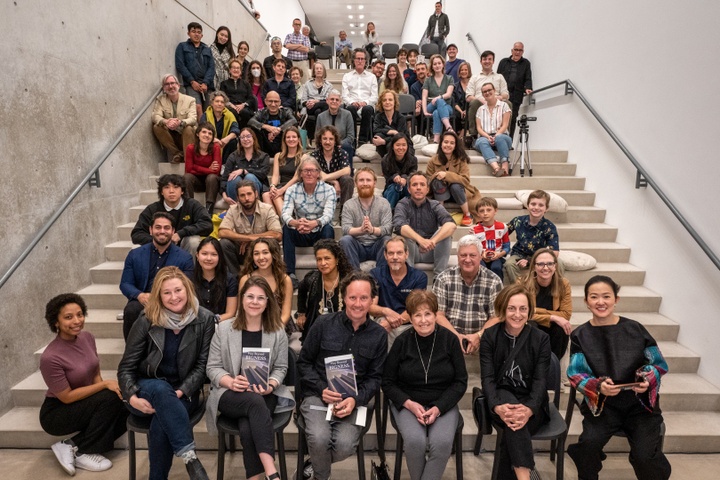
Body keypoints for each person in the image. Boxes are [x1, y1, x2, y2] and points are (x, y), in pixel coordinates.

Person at [567, 276, 672, 480]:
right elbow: (576, 372)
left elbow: (658, 363)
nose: (601, 302)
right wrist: (597, 386)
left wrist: (646, 379)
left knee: (645, 457)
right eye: (594, 297)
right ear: (586, 301)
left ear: (616, 299)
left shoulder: (635, 329)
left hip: (639, 408)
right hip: (603, 408)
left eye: (606, 296)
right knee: (588, 446)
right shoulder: (580, 335)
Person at [118, 266, 214, 480]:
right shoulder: (146, 320)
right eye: (167, 292)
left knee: (162, 419)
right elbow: (126, 367)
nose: (174, 297)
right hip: (146, 390)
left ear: (187, 290)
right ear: (159, 296)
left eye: (178, 290)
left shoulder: (205, 319)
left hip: (184, 392)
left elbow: (202, 366)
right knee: (161, 389)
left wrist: (180, 392)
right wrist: (131, 397)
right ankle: (191, 458)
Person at [296, 271, 388, 480]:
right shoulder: (322, 324)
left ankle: (314, 465)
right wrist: (321, 389)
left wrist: (355, 400)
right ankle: (321, 477)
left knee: (345, 445)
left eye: (364, 298)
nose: (357, 303)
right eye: (352, 297)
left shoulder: (379, 335)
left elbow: (376, 378)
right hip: (318, 395)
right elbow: (304, 362)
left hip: (355, 400)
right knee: (319, 439)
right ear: (344, 298)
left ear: (372, 300)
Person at [205, 276, 295, 480]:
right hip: (229, 393)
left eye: (260, 298)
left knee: (247, 427)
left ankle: (255, 478)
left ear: (267, 302)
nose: (255, 302)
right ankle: (272, 472)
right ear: (242, 299)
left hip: (265, 393)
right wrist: (231, 381)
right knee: (254, 403)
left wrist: (271, 385)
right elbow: (212, 368)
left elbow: (281, 368)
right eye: (250, 296)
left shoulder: (277, 331)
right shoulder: (224, 329)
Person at [382, 290, 467, 480]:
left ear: (436, 315)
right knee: (415, 441)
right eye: (417, 315)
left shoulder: (450, 340)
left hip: (443, 402)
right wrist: (409, 404)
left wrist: (438, 408)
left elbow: (460, 382)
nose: (423, 320)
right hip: (408, 402)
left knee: (443, 443)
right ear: (410, 319)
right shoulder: (401, 342)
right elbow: (387, 382)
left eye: (427, 313)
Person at [40, 293, 127, 476]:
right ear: (55, 322)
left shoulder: (87, 337)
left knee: (126, 405)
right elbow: (66, 396)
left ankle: (71, 445)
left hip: (84, 401)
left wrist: (108, 399)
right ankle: (85, 451)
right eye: (68, 317)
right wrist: (104, 388)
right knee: (111, 396)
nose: (77, 321)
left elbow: (95, 372)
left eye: (80, 314)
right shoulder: (50, 357)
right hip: (58, 411)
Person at [479, 283, 551, 480]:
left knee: (513, 425)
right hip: (499, 400)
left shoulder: (541, 339)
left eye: (522, 309)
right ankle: (525, 477)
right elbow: (488, 378)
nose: (517, 314)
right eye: (511, 308)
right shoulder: (490, 336)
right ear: (503, 309)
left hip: (532, 403)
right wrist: (496, 406)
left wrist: (529, 409)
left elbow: (540, 381)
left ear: (529, 311)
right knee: (508, 404)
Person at [121, 212, 195, 339]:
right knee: (132, 309)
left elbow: (187, 286)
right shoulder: (135, 255)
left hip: (170, 300)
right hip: (144, 300)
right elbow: (125, 284)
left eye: (166, 228)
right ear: (150, 230)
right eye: (158, 227)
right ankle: (132, 352)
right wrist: (140, 295)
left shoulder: (185, 258)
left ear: (173, 231)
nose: (162, 231)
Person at [433, 235, 503, 354]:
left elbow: (496, 317)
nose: (467, 259)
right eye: (463, 255)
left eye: (472, 255)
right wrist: (456, 336)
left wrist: (478, 336)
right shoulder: (443, 279)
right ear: (457, 256)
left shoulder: (494, 281)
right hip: (449, 336)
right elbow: (438, 314)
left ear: (481, 256)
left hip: (483, 338)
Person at [281, 157, 336, 286]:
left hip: (319, 231)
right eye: (305, 171)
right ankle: (290, 274)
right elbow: (285, 214)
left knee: (328, 228)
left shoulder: (329, 190)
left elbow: (328, 215)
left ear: (318, 173)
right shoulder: (292, 190)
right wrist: (296, 223)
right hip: (301, 230)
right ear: (300, 173)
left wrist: (315, 223)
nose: (309, 173)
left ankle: (324, 271)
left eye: (312, 170)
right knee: (286, 228)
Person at [130, 174, 212, 256]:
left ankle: (189, 268)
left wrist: (181, 233)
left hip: (184, 247)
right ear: (161, 192)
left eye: (176, 187)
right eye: (167, 187)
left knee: (194, 241)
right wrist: (159, 241)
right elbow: (136, 234)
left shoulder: (192, 205)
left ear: (182, 191)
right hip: (159, 249)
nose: (171, 191)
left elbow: (207, 224)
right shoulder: (152, 209)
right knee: (136, 248)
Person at [393, 172, 457, 277]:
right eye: (414, 185)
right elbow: (399, 226)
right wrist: (420, 240)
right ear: (409, 189)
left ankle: (439, 278)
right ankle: (408, 277)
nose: (418, 188)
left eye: (422, 185)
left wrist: (431, 242)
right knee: (404, 235)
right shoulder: (402, 204)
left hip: (431, 250)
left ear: (427, 189)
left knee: (446, 233)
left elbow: (451, 225)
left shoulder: (434, 205)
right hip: (410, 252)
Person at [369, 236, 428, 344]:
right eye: (391, 253)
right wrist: (385, 311)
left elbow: (416, 309)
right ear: (385, 255)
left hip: (409, 323)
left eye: (399, 253)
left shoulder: (419, 277)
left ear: (407, 254)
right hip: (384, 321)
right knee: (380, 327)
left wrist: (393, 322)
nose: (395, 257)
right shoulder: (375, 274)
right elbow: (371, 306)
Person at [218, 179, 282, 275]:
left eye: (249, 194)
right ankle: (236, 278)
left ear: (256, 194)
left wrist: (253, 241)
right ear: (237, 198)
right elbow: (222, 232)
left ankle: (271, 276)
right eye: (242, 195)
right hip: (242, 252)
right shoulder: (233, 210)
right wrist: (248, 237)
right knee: (224, 243)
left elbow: (277, 234)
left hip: (262, 251)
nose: (246, 198)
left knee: (273, 243)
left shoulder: (267, 209)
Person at [295, 239, 354, 344]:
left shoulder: (349, 280)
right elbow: (301, 288)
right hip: (318, 331)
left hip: (344, 331)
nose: (323, 263)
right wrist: (301, 313)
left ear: (337, 260)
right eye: (319, 259)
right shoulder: (312, 279)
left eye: (327, 258)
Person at [521, 248, 572, 360]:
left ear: (555, 266)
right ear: (534, 266)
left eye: (549, 264)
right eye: (541, 264)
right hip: (532, 327)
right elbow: (522, 313)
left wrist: (536, 310)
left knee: (562, 328)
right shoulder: (523, 284)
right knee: (530, 325)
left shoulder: (563, 284)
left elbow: (566, 314)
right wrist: (552, 316)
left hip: (552, 329)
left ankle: (552, 364)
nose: (545, 268)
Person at [339, 167, 393, 269]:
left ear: (374, 183)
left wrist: (372, 230)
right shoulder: (348, 204)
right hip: (357, 246)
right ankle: (354, 277)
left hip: (377, 246)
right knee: (345, 240)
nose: (365, 183)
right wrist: (361, 230)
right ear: (355, 183)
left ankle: (380, 279)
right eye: (361, 180)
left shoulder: (384, 203)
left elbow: (388, 229)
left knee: (387, 240)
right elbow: (346, 229)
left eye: (368, 180)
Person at [504, 189, 562, 284]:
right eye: (533, 204)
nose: (536, 207)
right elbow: (501, 232)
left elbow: (554, 253)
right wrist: (481, 229)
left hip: (540, 256)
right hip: (518, 254)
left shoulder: (550, 227)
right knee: (509, 264)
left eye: (541, 205)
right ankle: (520, 290)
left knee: (560, 264)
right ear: (528, 205)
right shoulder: (517, 221)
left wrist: (530, 260)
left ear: (546, 208)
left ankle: (552, 289)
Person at [425, 130, 481, 226]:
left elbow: (465, 180)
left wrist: (447, 175)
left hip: (459, 193)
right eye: (446, 142)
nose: (448, 145)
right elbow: (428, 180)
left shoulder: (461, 160)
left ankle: (467, 214)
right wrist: (437, 176)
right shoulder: (433, 161)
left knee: (455, 185)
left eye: (452, 143)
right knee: (437, 182)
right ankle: (440, 214)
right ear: (441, 143)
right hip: (439, 193)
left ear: (455, 146)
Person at [238, 238, 294, 331]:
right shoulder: (245, 279)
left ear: (273, 254)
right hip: (251, 326)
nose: (261, 257)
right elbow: (242, 310)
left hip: (278, 326)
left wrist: (274, 332)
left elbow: (286, 314)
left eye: (265, 252)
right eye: (256, 253)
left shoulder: (284, 280)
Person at [151, 74, 197, 164]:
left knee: (189, 128)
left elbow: (193, 119)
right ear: (163, 88)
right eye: (167, 84)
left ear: (178, 85)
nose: (170, 86)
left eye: (172, 83)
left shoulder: (190, 100)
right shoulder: (160, 99)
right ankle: (177, 154)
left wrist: (180, 122)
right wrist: (166, 121)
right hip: (171, 136)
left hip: (187, 135)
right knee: (157, 127)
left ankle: (188, 159)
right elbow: (155, 115)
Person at [192, 237, 238, 322]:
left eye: (214, 254)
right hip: (194, 325)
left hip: (220, 324)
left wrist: (212, 321)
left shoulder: (230, 280)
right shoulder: (188, 278)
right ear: (197, 255)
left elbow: (230, 313)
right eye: (204, 254)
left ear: (220, 257)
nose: (209, 258)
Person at [263, 126, 306, 217]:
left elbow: (296, 177)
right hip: (282, 185)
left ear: (298, 139)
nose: (291, 139)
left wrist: (281, 190)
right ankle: (276, 223)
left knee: (276, 196)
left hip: (296, 187)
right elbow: (275, 176)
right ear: (284, 140)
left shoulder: (304, 157)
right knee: (266, 195)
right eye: (288, 137)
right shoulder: (278, 156)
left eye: (294, 137)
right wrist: (273, 186)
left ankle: (287, 221)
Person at [221, 127, 270, 204]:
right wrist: (224, 196)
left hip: (257, 187)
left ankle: (253, 206)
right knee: (234, 178)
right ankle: (238, 208)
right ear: (240, 141)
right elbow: (224, 178)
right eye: (242, 137)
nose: (245, 139)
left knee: (249, 177)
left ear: (254, 139)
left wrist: (244, 171)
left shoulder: (263, 156)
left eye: (248, 136)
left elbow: (263, 174)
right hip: (235, 192)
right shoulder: (233, 156)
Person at [466, 50, 510, 136]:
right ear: (481, 61)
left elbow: (506, 94)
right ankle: (474, 136)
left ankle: (504, 135)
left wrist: (495, 99)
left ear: (493, 61)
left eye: (489, 59)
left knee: (508, 104)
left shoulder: (499, 77)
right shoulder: (474, 77)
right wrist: (483, 101)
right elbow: (468, 96)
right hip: (480, 103)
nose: (487, 61)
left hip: (497, 103)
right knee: (474, 102)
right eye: (484, 59)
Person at [175, 22, 215, 115]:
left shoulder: (207, 49)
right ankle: (201, 129)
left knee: (209, 110)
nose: (196, 34)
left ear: (202, 35)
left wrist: (205, 82)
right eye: (193, 31)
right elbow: (180, 65)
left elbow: (211, 67)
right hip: (191, 84)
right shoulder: (182, 46)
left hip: (207, 85)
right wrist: (192, 81)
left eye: (198, 32)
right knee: (197, 108)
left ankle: (208, 129)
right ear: (188, 33)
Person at [473, 82, 512, 177]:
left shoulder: (504, 106)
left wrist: (496, 135)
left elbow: (505, 125)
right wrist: (488, 136)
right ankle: (496, 168)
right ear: (482, 94)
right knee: (481, 141)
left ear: (494, 91)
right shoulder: (480, 109)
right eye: (484, 92)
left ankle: (505, 166)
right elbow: (479, 128)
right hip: (485, 136)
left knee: (500, 138)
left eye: (489, 90)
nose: (487, 93)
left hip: (502, 136)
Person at [311, 125, 354, 212]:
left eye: (331, 139)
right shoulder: (315, 155)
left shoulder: (342, 153)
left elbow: (347, 170)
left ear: (335, 141)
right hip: (321, 186)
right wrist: (334, 181)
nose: (327, 142)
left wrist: (326, 177)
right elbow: (316, 172)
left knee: (347, 179)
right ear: (320, 140)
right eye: (324, 138)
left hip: (340, 187)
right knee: (312, 177)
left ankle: (344, 212)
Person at [342, 49, 378, 146]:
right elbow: (345, 95)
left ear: (366, 61)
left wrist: (365, 102)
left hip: (367, 105)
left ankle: (362, 141)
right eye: (358, 58)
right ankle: (352, 140)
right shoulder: (347, 76)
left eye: (362, 59)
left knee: (367, 109)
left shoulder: (372, 77)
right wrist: (352, 102)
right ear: (353, 60)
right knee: (350, 108)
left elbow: (374, 96)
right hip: (352, 104)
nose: (360, 61)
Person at [183, 122, 221, 215]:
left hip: (212, 184)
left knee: (212, 177)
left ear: (212, 137)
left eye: (210, 133)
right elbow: (188, 169)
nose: (207, 135)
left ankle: (209, 210)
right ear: (197, 134)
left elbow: (216, 171)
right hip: (196, 182)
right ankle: (189, 207)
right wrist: (208, 169)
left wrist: (195, 167)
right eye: (204, 132)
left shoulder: (216, 147)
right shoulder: (190, 148)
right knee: (187, 177)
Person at [497, 42, 533, 139]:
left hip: (516, 95)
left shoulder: (526, 63)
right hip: (502, 95)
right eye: (516, 50)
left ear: (523, 51)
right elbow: (497, 78)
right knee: (499, 117)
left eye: (520, 50)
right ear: (512, 50)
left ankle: (509, 140)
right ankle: (497, 139)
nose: (517, 52)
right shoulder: (503, 62)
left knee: (512, 118)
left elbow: (528, 78)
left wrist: (528, 88)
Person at [471, 196, 510, 280]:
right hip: (481, 257)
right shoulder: (474, 230)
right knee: (480, 268)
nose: (485, 213)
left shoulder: (503, 227)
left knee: (496, 268)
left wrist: (499, 254)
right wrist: (481, 254)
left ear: (495, 211)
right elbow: (473, 249)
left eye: (489, 210)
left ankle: (499, 290)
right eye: (481, 211)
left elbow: (507, 247)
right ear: (477, 213)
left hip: (497, 256)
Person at [248, 90, 297, 157]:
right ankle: (259, 156)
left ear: (280, 102)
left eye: (276, 101)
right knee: (253, 129)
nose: (273, 104)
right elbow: (251, 121)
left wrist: (278, 130)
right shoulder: (261, 113)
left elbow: (293, 120)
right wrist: (267, 127)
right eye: (270, 101)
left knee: (292, 128)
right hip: (265, 144)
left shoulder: (285, 112)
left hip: (282, 143)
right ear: (265, 101)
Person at [199, 90, 240, 164]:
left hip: (224, 144)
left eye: (222, 102)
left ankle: (226, 165)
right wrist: (213, 139)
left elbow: (236, 130)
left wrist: (226, 139)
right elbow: (201, 130)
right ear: (212, 103)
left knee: (233, 141)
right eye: (217, 101)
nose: (219, 104)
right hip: (210, 142)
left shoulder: (229, 115)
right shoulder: (206, 115)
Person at [316, 89, 356, 163]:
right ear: (327, 101)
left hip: (342, 145)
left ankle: (348, 172)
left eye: (337, 100)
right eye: (332, 99)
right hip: (326, 145)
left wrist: (338, 144)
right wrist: (328, 144)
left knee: (348, 147)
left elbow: (350, 137)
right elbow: (318, 136)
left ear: (340, 102)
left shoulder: (347, 114)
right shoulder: (320, 116)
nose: (334, 101)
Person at [422, 54, 455, 144]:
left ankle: (436, 140)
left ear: (443, 64)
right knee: (438, 104)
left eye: (439, 63)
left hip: (447, 107)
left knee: (437, 111)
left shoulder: (449, 78)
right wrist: (424, 111)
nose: (437, 66)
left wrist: (438, 98)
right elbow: (424, 97)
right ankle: (448, 127)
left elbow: (448, 94)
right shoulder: (428, 80)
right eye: (435, 64)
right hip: (431, 106)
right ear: (432, 66)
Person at [381, 133, 417, 208]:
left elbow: (413, 176)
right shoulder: (386, 160)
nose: (401, 148)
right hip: (391, 188)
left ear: (407, 146)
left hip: (407, 187)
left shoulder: (413, 160)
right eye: (398, 145)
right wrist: (394, 177)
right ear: (393, 147)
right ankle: (389, 213)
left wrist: (405, 178)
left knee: (411, 189)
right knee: (394, 188)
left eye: (404, 145)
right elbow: (387, 178)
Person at [220, 59, 256, 131]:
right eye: (233, 68)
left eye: (237, 68)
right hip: (229, 106)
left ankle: (244, 132)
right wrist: (231, 105)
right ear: (230, 70)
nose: (235, 70)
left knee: (245, 113)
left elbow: (251, 98)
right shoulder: (224, 83)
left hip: (243, 107)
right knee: (232, 113)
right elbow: (222, 97)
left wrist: (243, 105)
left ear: (241, 70)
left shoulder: (246, 84)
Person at [372, 90, 409, 158]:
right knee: (378, 136)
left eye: (390, 100)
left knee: (391, 144)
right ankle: (386, 160)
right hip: (383, 147)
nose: (387, 102)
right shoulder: (378, 116)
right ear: (381, 103)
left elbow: (400, 136)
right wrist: (391, 131)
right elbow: (376, 130)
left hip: (401, 145)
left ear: (394, 102)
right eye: (384, 100)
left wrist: (384, 141)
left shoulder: (401, 118)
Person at [301, 62, 333, 140]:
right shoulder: (307, 84)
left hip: (322, 107)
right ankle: (325, 134)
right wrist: (308, 103)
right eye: (317, 69)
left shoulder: (329, 85)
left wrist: (316, 101)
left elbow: (328, 100)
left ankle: (317, 137)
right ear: (314, 71)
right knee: (324, 104)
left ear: (324, 71)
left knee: (319, 111)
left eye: (320, 68)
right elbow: (303, 100)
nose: (319, 70)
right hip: (310, 107)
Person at [452, 61, 472, 135]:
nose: (463, 72)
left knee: (470, 114)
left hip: (470, 109)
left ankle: (463, 133)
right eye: (462, 70)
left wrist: (466, 111)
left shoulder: (473, 84)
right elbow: (454, 102)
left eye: (466, 70)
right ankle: (459, 134)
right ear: (459, 72)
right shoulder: (455, 86)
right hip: (458, 110)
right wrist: (461, 111)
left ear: (469, 71)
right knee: (456, 114)